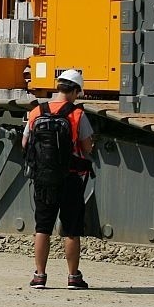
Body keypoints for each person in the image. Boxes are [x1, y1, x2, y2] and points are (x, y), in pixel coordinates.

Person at [22, 69, 94, 290]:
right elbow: (87, 147)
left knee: (42, 226)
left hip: (43, 178)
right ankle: (73, 278)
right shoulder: (77, 115)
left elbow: (25, 143)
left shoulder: (36, 111)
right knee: (71, 229)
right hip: (71, 179)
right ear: (73, 90)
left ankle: (39, 277)